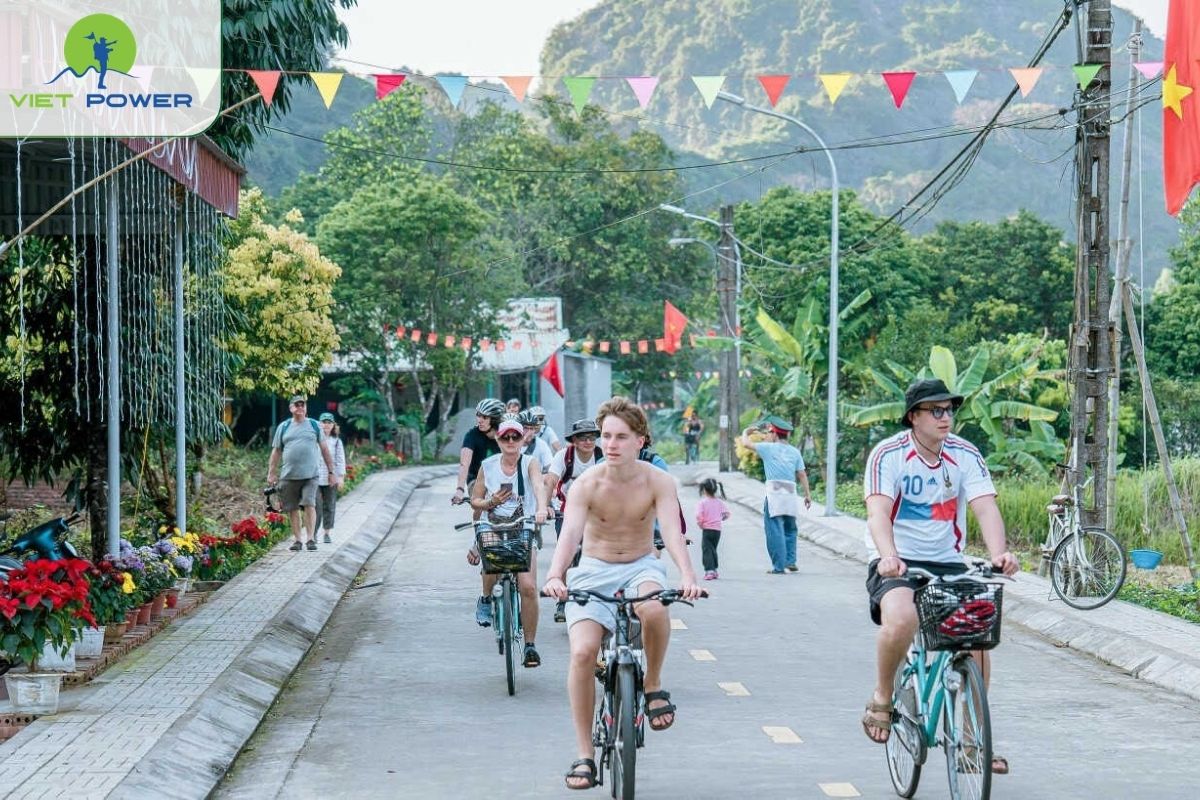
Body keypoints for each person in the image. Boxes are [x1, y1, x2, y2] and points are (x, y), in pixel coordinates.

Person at [542, 396, 702, 791]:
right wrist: (555, 575)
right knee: (582, 653)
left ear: (640, 440)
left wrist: (687, 575)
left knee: (654, 607)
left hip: (641, 566)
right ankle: (584, 755)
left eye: (621, 437)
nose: (610, 444)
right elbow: (570, 535)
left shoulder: (658, 481)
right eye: (606, 436)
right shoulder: (587, 483)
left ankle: (653, 686)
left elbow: (673, 532)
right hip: (593, 571)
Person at [860, 378, 1018, 776]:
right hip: (897, 561)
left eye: (949, 410)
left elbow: (984, 507)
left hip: (948, 560)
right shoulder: (889, 455)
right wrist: (888, 557)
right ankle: (882, 696)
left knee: (977, 632)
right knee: (902, 617)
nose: (945, 417)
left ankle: (969, 740)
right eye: (936, 410)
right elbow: (878, 512)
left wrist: (999, 553)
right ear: (914, 417)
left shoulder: (965, 454)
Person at [468, 417, 549, 667]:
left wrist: (542, 509)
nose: (511, 441)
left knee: (527, 586)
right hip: (493, 525)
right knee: (491, 567)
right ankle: (485, 597)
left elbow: (538, 485)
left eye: (515, 436)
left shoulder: (530, 463)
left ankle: (530, 645)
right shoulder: (488, 465)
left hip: (523, 526)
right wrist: (490, 503)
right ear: (498, 439)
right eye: (506, 437)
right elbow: (475, 501)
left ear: (522, 439)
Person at [738, 417, 812, 574]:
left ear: (775, 434)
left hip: (774, 494)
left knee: (775, 530)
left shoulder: (768, 448)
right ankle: (790, 561)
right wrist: (807, 495)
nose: (768, 435)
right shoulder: (795, 452)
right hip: (791, 494)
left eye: (770, 432)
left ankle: (779, 566)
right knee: (790, 529)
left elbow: (745, 443)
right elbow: (802, 474)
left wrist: (746, 432)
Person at [546, 418, 603, 623]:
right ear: (574, 440)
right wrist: (544, 506)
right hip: (566, 511)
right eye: (583, 437)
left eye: (592, 437)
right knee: (566, 555)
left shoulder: (602, 457)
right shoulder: (564, 456)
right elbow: (550, 480)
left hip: (597, 513)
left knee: (600, 555)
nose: (588, 441)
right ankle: (562, 600)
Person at [454, 398, 504, 626]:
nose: (480, 420)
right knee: (480, 499)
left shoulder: (507, 434)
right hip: (479, 482)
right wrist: (459, 488)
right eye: (479, 416)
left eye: (485, 417)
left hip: (505, 483)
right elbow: (464, 464)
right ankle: (478, 540)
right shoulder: (472, 435)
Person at [267, 395, 337, 552]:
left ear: (306, 407)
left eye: (302, 405)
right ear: (291, 408)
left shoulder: (313, 425)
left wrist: (332, 472)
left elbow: (325, 449)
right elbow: (276, 451)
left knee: (309, 504)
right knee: (292, 508)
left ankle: (310, 538)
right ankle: (298, 540)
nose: (300, 407)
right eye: (297, 405)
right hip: (289, 475)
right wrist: (271, 473)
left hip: (310, 475)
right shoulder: (283, 427)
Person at [315, 412, 346, 544]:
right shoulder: (314, 440)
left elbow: (340, 461)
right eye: (324, 422)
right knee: (315, 506)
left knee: (330, 505)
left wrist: (341, 478)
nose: (326, 425)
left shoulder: (336, 442)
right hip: (315, 478)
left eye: (329, 422)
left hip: (330, 478)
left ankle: (327, 532)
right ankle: (313, 533)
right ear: (319, 424)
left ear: (333, 425)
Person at [695, 478, 730, 580]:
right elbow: (727, 514)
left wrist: (700, 523)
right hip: (717, 530)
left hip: (707, 529)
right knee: (713, 549)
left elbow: (699, 515)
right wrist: (719, 519)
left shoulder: (702, 503)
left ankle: (709, 571)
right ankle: (714, 570)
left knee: (707, 550)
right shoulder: (719, 502)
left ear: (704, 490)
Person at [517, 409, 555, 474]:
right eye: (525, 428)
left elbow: (550, 467)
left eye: (531, 428)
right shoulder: (511, 442)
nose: (529, 432)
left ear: (535, 430)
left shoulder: (541, 444)